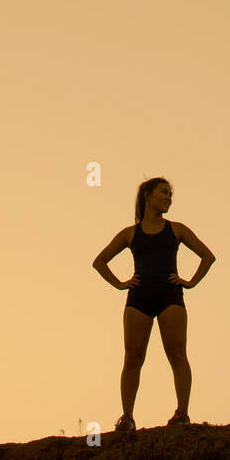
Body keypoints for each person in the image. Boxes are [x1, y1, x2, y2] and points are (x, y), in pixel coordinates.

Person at [92, 176, 215, 431]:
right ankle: (127, 417)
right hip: (138, 298)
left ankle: (182, 413)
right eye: (163, 192)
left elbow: (207, 256)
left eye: (170, 195)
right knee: (133, 357)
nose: (168, 198)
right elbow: (99, 261)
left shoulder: (177, 229)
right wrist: (120, 283)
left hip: (171, 296)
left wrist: (190, 282)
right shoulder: (130, 233)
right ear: (147, 195)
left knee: (177, 355)